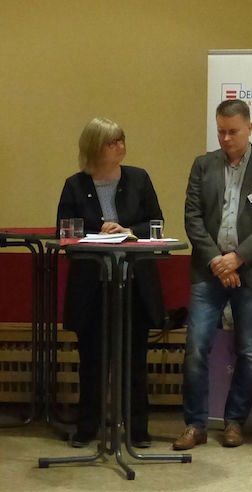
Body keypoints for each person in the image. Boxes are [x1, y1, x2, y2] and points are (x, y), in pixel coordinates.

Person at [175, 99, 252, 450]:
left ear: (249, 128)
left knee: (248, 352)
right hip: (208, 271)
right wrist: (217, 261)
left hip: (250, 271)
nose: (225, 139)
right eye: (220, 131)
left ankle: (235, 421)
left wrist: (237, 259)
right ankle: (195, 425)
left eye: (233, 132)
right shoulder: (203, 165)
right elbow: (192, 217)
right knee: (196, 348)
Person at [56, 117, 165, 448]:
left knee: (134, 359)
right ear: (94, 148)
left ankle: (138, 428)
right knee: (92, 360)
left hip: (133, 283)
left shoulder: (139, 179)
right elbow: (64, 232)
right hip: (93, 285)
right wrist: (97, 234)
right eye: (112, 142)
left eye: (121, 139)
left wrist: (127, 231)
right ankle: (88, 426)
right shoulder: (75, 185)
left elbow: (156, 223)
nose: (120, 146)